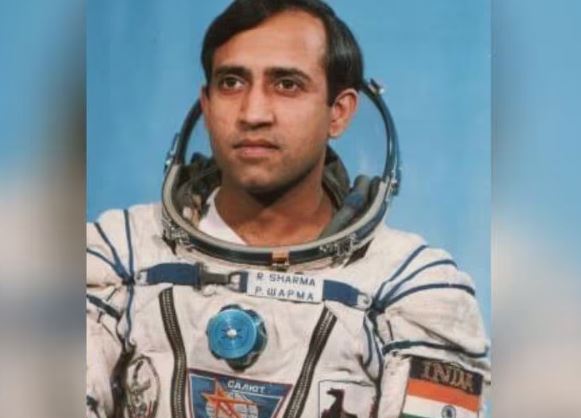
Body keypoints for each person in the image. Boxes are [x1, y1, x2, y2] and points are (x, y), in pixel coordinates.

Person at [86, 1, 490, 417]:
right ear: (206, 106)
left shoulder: (413, 288)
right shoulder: (120, 255)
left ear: (339, 112)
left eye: (287, 84)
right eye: (231, 83)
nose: (253, 114)